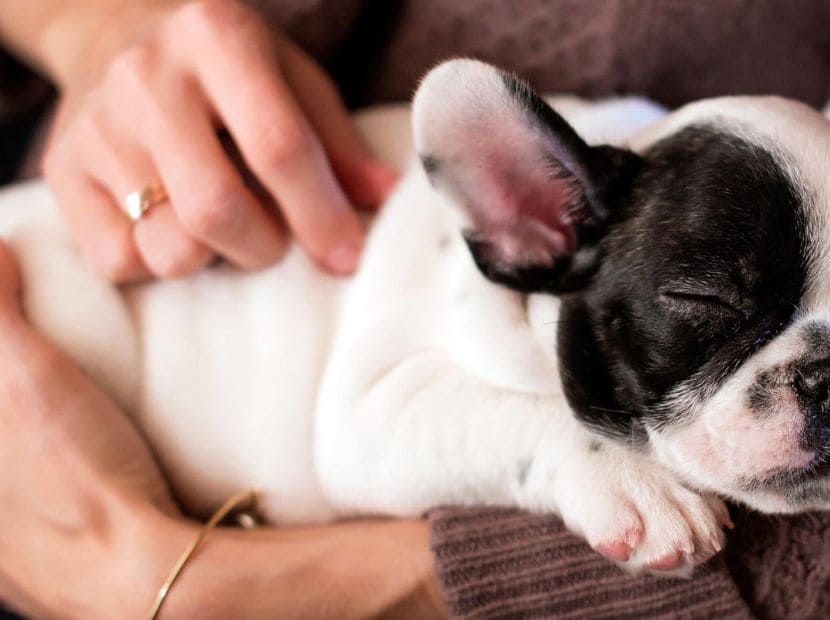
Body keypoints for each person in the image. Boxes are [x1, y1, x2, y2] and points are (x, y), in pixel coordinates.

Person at [2, 0, 830, 618]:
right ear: (524, 222)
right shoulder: (544, 247)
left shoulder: (647, 217)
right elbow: (362, 440)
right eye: (708, 307)